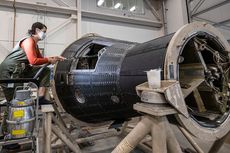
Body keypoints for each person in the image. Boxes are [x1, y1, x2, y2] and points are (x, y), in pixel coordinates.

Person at [0, 22, 65, 104]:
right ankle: (10, 114)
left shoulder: (35, 45)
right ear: (37, 30)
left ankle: (40, 97)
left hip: (21, 68)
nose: (45, 34)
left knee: (45, 71)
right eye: (44, 32)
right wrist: (49, 60)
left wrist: (54, 58)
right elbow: (33, 61)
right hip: (9, 70)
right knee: (15, 99)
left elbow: (41, 59)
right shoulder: (28, 41)